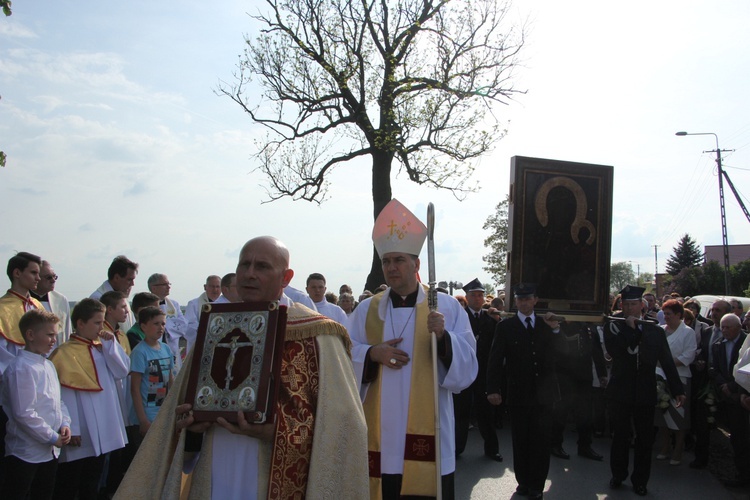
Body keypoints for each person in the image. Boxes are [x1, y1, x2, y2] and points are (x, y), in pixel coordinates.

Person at [114, 236, 368, 499]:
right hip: (214, 469)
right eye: (244, 265)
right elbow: (180, 423)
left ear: (286, 277)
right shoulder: (216, 327)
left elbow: (344, 427)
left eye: (262, 267)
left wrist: (276, 432)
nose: (249, 274)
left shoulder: (317, 334)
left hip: (276, 476)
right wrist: (190, 428)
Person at [347, 199, 477, 500]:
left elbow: (468, 366)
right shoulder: (367, 310)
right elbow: (345, 357)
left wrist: (444, 339)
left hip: (429, 431)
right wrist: (371, 354)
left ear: (417, 264)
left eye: (399, 260)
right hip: (380, 436)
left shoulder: (445, 307)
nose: (391, 267)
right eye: (386, 261)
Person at [604, 285, 685, 497]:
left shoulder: (655, 329)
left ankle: (640, 480)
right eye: (626, 304)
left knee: (645, 439)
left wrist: (677, 389)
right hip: (620, 391)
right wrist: (630, 330)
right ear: (622, 305)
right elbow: (615, 351)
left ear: (642, 305)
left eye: (634, 304)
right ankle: (618, 475)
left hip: (645, 391)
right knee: (620, 436)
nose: (630, 308)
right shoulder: (613, 325)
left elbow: (666, 360)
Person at [486, 283, 564, 500]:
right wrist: (493, 389)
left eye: (528, 299)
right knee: (521, 441)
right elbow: (495, 360)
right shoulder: (506, 327)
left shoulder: (545, 324)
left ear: (535, 300)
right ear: (516, 302)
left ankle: (537, 485)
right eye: (520, 299)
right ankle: (523, 481)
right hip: (519, 394)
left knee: (541, 441)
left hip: (544, 395)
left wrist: (555, 329)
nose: (524, 303)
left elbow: (559, 353)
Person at [51, 298, 130, 500]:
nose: (100, 327)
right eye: (96, 322)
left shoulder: (102, 348)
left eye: (102, 322)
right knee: (71, 480)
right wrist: (72, 427)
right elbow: (65, 394)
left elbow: (122, 371)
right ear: (80, 323)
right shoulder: (64, 353)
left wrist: (111, 345)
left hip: (102, 424)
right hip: (81, 426)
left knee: (93, 478)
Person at [1, 309, 71, 500]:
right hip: (26, 452)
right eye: (49, 335)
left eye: (55, 335)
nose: (53, 340)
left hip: (49, 451)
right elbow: (23, 413)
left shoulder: (47, 365)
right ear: (30, 335)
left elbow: (58, 401)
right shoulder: (21, 368)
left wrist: (65, 424)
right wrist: (51, 436)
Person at [0, 251, 43, 470]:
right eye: (33, 272)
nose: (38, 277)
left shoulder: (37, 305)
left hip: (40, 384)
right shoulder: (3, 309)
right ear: (17, 273)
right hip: (13, 384)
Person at [456, 278, 501, 462]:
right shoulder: (460, 317)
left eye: (480, 295)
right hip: (464, 371)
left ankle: (492, 449)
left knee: (486, 413)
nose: (477, 298)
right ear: (467, 297)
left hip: (483, 372)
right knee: (461, 412)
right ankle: (457, 449)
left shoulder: (490, 319)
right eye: (473, 295)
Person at [654, 299, 697, 466]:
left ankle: (677, 450)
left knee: (678, 417)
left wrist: (667, 362)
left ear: (679, 315)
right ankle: (665, 448)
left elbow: (689, 355)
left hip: (680, 378)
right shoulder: (660, 330)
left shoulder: (688, 332)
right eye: (664, 314)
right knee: (662, 415)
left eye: (669, 314)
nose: (666, 317)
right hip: (659, 377)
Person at [710, 313, 750, 487]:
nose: (724, 331)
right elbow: (717, 369)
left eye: (728, 327)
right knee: (738, 439)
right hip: (734, 398)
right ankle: (742, 476)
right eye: (722, 327)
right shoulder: (718, 345)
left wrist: (734, 387)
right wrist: (726, 386)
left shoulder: (744, 340)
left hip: (741, 396)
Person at [129, 307, 174, 440]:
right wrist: (143, 420)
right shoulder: (140, 352)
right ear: (143, 326)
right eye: (156, 324)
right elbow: (135, 389)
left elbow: (170, 380)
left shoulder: (166, 349)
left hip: (163, 413)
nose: (160, 327)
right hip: (147, 415)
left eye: (163, 324)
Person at [147, 273, 190, 368]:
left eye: (169, 284)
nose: (168, 287)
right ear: (154, 288)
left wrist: (163, 325)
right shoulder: (146, 303)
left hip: (172, 348)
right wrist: (167, 324)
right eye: (165, 284)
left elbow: (183, 325)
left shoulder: (174, 304)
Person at [90, 255, 138, 331]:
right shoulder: (97, 300)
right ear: (116, 278)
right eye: (129, 279)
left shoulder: (123, 298)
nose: (132, 284)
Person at [30, 260, 72, 345]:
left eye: (54, 277)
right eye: (48, 277)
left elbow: (67, 331)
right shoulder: (23, 301)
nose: (53, 280)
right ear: (37, 278)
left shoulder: (61, 300)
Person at [185, 275, 222, 341]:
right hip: (199, 341)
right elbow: (189, 325)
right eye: (212, 286)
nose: (215, 290)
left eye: (218, 287)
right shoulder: (193, 304)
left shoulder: (225, 303)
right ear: (205, 287)